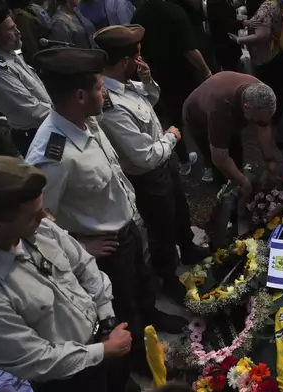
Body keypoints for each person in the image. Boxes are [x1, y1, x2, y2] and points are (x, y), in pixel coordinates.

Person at [24, 47, 186, 379]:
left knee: (143, 286)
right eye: (100, 87)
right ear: (80, 95)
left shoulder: (88, 121)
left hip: (126, 225)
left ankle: (154, 319)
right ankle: (142, 360)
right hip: (104, 245)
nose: (105, 92)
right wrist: (80, 244)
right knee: (124, 307)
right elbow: (38, 217)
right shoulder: (51, 154)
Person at [0, 156, 133, 392]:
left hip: (104, 336)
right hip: (68, 378)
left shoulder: (35, 226)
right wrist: (104, 351)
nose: (44, 218)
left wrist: (107, 319)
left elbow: (84, 264)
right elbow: (36, 358)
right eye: (34, 215)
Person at [94, 24, 207, 303]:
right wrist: (171, 138)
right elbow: (143, 157)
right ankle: (167, 277)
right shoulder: (110, 105)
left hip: (163, 162)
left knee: (179, 211)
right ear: (123, 62)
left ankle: (188, 248)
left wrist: (147, 81)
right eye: (137, 58)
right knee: (161, 227)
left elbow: (150, 101)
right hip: (149, 174)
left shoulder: (126, 85)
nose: (140, 62)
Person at [132, 0, 211, 175]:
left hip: (158, 76)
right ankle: (209, 166)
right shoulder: (174, 12)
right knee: (197, 118)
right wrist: (206, 71)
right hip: (185, 75)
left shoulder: (139, 14)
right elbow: (189, 50)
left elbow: (139, 50)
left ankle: (183, 161)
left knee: (172, 120)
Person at [0, 2, 52, 157]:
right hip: (37, 132)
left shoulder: (6, 48)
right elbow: (31, 110)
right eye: (11, 29)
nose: (18, 31)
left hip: (49, 120)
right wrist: (65, 114)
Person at [183, 71, 277, 188]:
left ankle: (238, 175)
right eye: (258, 120)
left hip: (225, 105)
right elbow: (219, 157)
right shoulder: (220, 110)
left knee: (236, 151)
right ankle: (223, 187)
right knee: (216, 161)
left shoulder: (261, 92)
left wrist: (270, 161)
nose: (260, 123)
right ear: (246, 107)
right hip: (197, 117)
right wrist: (242, 181)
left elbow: (263, 127)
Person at [230, 0, 283, 124]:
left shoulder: (263, 10)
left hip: (265, 56)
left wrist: (239, 39)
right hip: (278, 50)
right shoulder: (276, 3)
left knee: (271, 87)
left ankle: (274, 118)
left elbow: (262, 35)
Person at [9, 0, 51, 65]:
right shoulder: (23, 15)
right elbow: (30, 44)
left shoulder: (27, 13)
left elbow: (31, 47)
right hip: (41, 56)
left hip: (43, 53)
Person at [206, 0, 243, 72]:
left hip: (229, 45)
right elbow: (223, 22)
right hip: (225, 47)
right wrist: (243, 23)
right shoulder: (214, 3)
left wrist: (232, 6)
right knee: (232, 72)